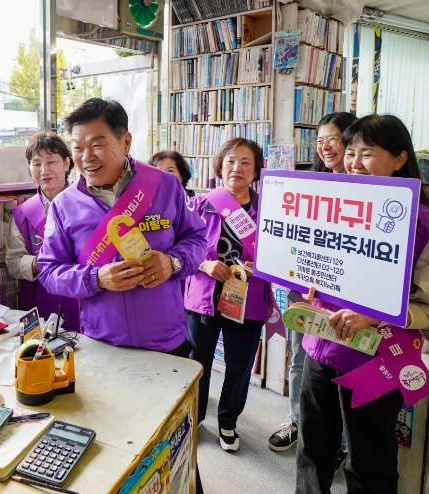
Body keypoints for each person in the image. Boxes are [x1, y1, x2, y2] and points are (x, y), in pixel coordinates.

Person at [296, 114, 429, 494]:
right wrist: (308, 282)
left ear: (400, 159)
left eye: (367, 154)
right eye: (351, 152)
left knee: (369, 461)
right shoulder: (334, 206)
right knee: (312, 449)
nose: (354, 163)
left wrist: (374, 315)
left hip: (377, 357)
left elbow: (425, 305)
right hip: (321, 345)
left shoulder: (421, 222)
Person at [38, 98, 207, 357]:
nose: (86, 157)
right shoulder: (64, 205)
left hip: (166, 340)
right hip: (103, 343)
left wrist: (173, 262)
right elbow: (49, 271)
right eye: (78, 148)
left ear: (125, 142)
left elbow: (196, 238)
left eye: (97, 145)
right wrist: (96, 279)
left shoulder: (165, 185)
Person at [267, 111, 358, 457]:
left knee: (343, 364)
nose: (325, 147)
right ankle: (298, 421)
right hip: (305, 292)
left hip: (347, 300)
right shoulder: (308, 184)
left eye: (333, 138)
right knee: (301, 358)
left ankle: (342, 441)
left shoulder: (368, 188)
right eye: (320, 141)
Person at [184, 138, 271, 453]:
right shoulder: (199, 204)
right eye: (231, 161)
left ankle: (228, 420)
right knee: (198, 361)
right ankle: (195, 416)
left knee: (239, 365)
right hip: (203, 297)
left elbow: (282, 255)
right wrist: (203, 264)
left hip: (249, 300)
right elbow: (179, 247)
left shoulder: (269, 210)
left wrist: (263, 266)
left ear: (256, 170)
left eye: (246, 162)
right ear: (219, 166)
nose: (237, 168)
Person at [6, 132, 79, 330]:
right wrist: (43, 261)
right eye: (37, 163)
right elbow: (13, 263)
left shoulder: (86, 204)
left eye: (51, 161)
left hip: (84, 297)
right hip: (44, 300)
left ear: (67, 163)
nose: (44, 170)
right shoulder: (23, 214)